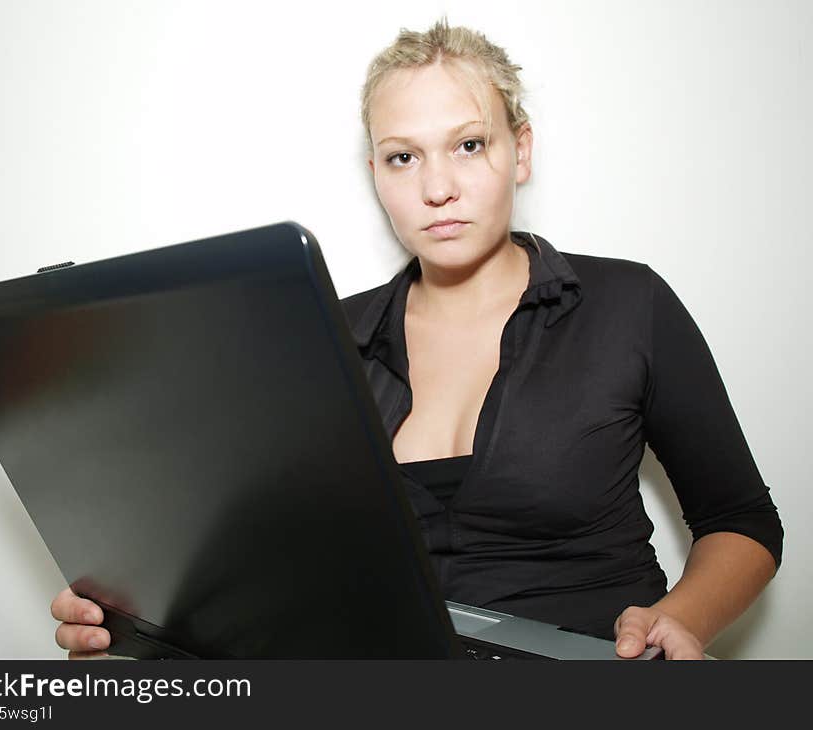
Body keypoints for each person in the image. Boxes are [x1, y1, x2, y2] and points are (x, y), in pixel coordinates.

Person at [51, 18, 783, 660]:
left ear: (520, 151)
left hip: (595, 662)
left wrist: (676, 621)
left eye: (469, 145)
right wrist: (133, 618)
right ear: (375, 173)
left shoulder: (630, 303)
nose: (438, 188)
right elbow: (268, 559)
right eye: (404, 157)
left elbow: (739, 519)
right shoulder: (321, 334)